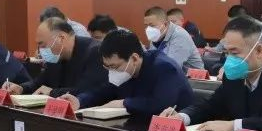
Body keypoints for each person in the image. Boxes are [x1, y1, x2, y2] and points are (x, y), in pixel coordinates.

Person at [63, 29, 193, 118]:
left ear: (134, 58)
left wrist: (123, 103)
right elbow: (105, 91)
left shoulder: (165, 68)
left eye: (114, 66)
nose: (111, 71)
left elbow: (160, 104)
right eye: (107, 67)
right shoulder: (124, 70)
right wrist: (80, 100)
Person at [1, 18, 107, 98]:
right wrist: (21, 88)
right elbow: (39, 83)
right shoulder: (56, 57)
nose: (41, 50)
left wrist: (52, 93)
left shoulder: (95, 52)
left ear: (61, 38)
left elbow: (86, 91)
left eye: (43, 45)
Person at [143, 7, 205, 72]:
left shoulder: (180, 35)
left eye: (152, 25)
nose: (148, 29)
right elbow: (152, 60)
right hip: (169, 74)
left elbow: (171, 67)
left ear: (165, 24)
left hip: (193, 77)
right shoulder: (156, 36)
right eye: (146, 25)